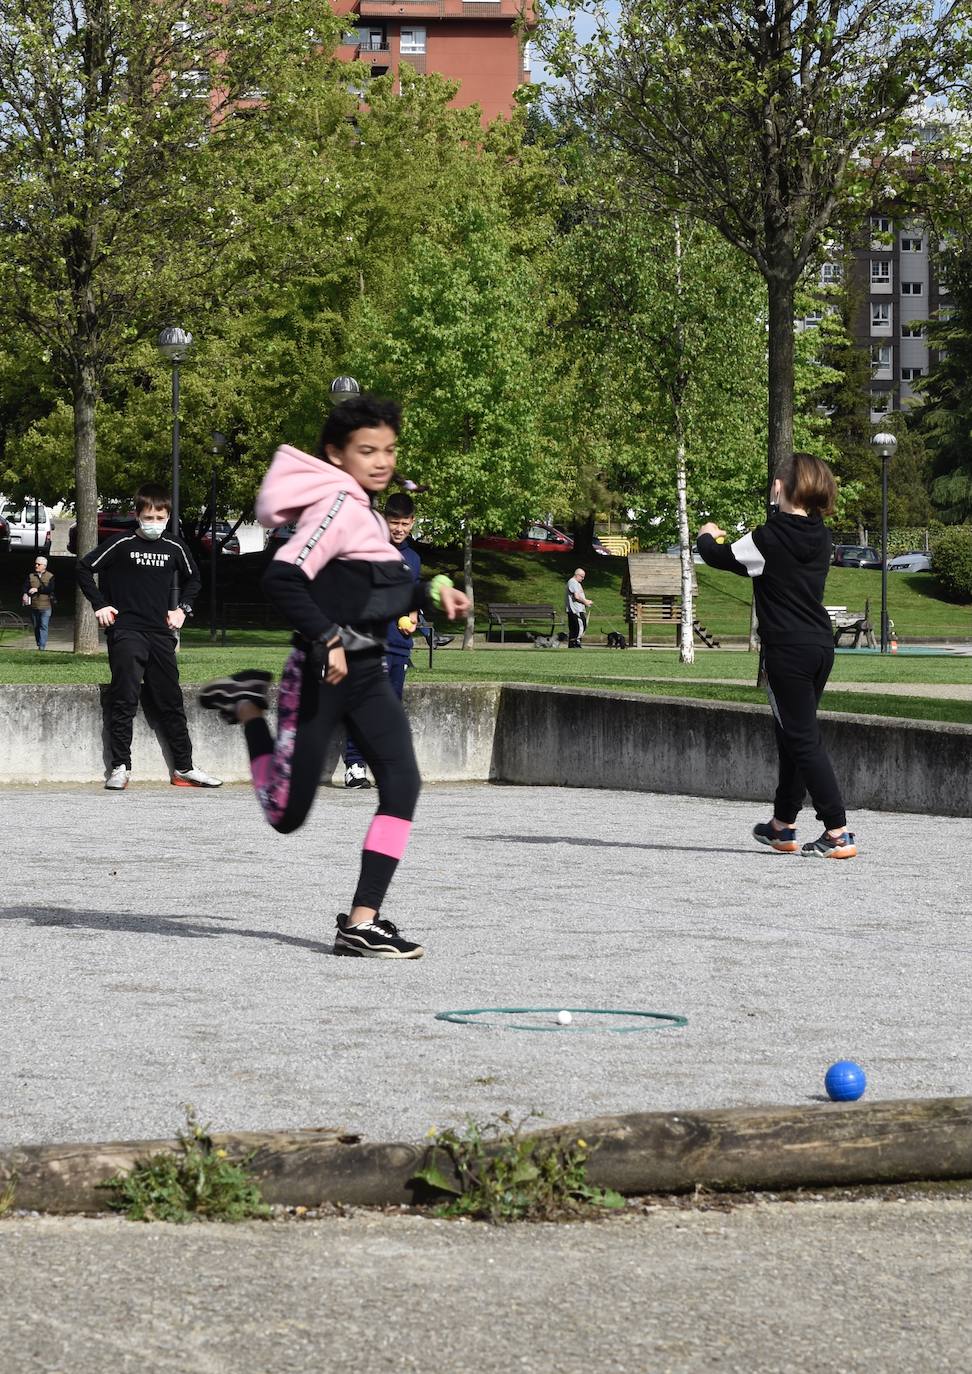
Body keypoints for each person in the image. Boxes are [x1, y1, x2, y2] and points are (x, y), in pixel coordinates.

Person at [197, 393, 469, 959]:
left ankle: (362, 921)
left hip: (368, 673)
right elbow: (281, 577)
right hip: (319, 678)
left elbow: (382, 592)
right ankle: (248, 707)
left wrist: (436, 589)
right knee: (285, 815)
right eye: (366, 450)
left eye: (389, 450)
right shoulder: (339, 508)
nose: (381, 460)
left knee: (402, 783)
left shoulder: (366, 515)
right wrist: (327, 637)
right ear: (336, 455)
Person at [696, 451, 856, 859]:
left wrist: (707, 533)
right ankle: (782, 825)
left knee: (802, 738)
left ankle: (837, 831)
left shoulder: (769, 536)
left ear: (779, 488)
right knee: (793, 735)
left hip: (786, 649)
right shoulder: (821, 536)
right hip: (820, 646)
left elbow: (718, 555)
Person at [76, 483, 223, 792]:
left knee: (171, 701)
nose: (153, 523)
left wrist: (182, 608)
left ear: (167, 517)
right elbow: (83, 568)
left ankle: (184, 768)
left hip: (160, 634)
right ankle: (120, 767)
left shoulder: (175, 546)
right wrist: (100, 604)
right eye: (148, 517)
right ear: (138, 514)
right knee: (124, 698)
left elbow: (194, 578)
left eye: (159, 517)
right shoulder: (121, 543)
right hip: (127, 631)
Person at [344, 490, 418, 788]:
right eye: (394, 522)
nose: (399, 528)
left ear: (413, 522)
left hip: (399, 645)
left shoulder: (413, 558)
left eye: (405, 523)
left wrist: (412, 616)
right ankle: (354, 764)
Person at [22, 555, 55, 649]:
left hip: (46, 607)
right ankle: (39, 643)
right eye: (36, 564)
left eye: (39, 564)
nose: (36, 565)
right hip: (34, 605)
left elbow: (50, 589)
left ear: (44, 566)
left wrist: (37, 590)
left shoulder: (50, 576)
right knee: (36, 626)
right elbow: (25, 586)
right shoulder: (31, 576)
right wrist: (25, 593)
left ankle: (42, 646)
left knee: (43, 626)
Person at [565, 567, 592, 647]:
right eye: (582, 576)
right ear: (577, 575)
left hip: (577, 609)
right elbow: (576, 597)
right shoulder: (573, 582)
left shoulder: (576, 583)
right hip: (575, 610)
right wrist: (585, 602)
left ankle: (572, 645)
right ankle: (575, 643)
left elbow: (580, 596)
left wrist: (586, 601)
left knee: (575, 628)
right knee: (580, 627)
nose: (583, 578)